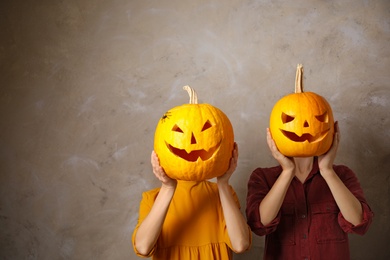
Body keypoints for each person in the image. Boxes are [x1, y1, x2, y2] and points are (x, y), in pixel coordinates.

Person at [246, 122, 373, 260]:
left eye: (315, 120)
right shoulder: (262, 177)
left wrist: (327, 170)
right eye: (291, 121)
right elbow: (260, 225)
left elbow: (359, 222)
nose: (304, 126)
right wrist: (288, 172)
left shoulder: (343, 175)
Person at [132, 143, 251, 260]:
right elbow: (143, 247)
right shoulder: (152, 198)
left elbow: (240, 244)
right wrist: (168, 188)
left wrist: (223, 184)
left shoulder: (223, 194)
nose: (192, 143)